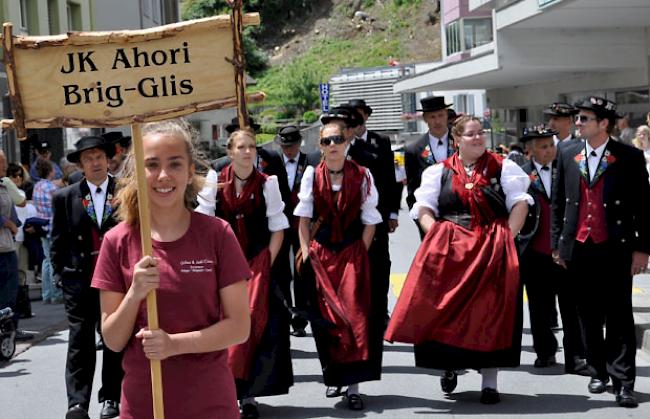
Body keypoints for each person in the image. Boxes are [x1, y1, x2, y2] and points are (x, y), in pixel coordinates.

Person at [92, 119, 251, 419]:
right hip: (144, 406)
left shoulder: (218, 234)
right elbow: (112, 340)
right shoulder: (116, 242)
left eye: (175, 164)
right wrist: (135, 294)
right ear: (137, 173)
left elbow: (239, 327)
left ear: (191, 171)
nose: (163, 175)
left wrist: (173, 345)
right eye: (151, 165)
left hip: (211, 404)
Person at [386, 115, 531, 405]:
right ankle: (450, 365)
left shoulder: (504, 167)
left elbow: (519, 203)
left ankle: (490, 382)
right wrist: (438, 236)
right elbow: (424, 208)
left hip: (491, 248)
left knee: (492, 312)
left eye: (481, 133)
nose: (478, 138)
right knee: (446, 310)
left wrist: (506, 237)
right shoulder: (438, 172)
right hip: (451, 251)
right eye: (471, 134)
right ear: (457, 140)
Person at [551, 96, 650, 408]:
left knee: (619, 315)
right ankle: (598, 370)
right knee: (587, 313)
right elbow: (558, 203)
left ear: (603, 123)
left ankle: (624, 382)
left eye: (584, 119)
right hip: (579, 247)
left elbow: (645, 210)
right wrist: (558, 245)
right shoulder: (567, 153)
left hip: (616, 247)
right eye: (578, 118)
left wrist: (643, 249)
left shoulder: (629, 157)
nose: (577, 124)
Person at [196, 128, 292, 419]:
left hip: (257, 264)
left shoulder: (268, 183)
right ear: (230, 152)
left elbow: (278, 228)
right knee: (221, 327)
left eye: (252, 147)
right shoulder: (215, 180)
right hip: (223, 266)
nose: (248, 152)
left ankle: (249, 396)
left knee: (257, 329)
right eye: (241, 147)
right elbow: (205, 223)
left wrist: (266, 262)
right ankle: (223, 393)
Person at [294, 122, 382, 411]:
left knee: (355, 316)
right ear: (320, 146)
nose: (333, 145)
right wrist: (306, 251)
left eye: (338, 139)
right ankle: (334, 375)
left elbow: (370, 221)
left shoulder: (363, 175)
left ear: (347, 143)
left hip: (351, 253)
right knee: (327, 320)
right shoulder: (311, 175)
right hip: (321, 255)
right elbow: (304, 220)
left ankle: (354, 388)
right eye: (328, 140)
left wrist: (360, 251)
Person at [50, 136, 123, 419]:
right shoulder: (65, 197)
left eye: (99, 157)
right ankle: (77, 403)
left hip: (115, 281)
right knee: (80, 342)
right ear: (80, 164)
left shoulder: (125, 190)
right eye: (88, 158)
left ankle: (111, 397)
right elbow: (57, 242)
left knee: (114, 339)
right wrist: (61, 276)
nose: (95, 162)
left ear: (108, 160)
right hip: (79, 280)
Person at [518, 126, 588, 375]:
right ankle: (545, 352)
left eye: (551, 145)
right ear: (530, 150)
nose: (549, 150)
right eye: (543, 146)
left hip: (565, 250)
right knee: (538, 305)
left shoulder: (568, 170)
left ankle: (577, 356)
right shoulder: (521, 176)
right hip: (533, 252)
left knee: (572, 305)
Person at [347, 99, 401, 326]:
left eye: (361, 115)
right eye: (352, 117)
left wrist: (393, 213)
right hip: (350, 217)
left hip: (377, 214)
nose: (357, 121)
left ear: (367, 117)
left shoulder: (382, 141)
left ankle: (380, 310)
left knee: (380, 264)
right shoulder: (341, 144)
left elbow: (392, 179)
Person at [271, 125, 320, 337]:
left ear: (299, 144)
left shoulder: (311, 161)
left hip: (302, 224)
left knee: (302, 270)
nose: (288, 150)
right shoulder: (273, 163)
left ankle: (300, 319)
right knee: (282, 272)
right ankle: (284, 313)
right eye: (284, 146)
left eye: (291, 146)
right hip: (279, 225)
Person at [405, 96, 455, 212]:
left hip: (461, 215)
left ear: (446, 115)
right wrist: (421, 219)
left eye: (441, 115)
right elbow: (413, 189)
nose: (437, 121)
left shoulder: (461, 142)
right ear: (425, 119)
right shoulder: (414, 150)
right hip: (430, 215)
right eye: (432, 117)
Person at [33, 158, 63, 304]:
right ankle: (56, 293)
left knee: (46, 261)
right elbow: (58, 205)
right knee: (53, 261)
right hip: (53, 226)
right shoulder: (51, 188)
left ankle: (46, 294)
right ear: (50, 171)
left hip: (42, 227)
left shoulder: (37, 186)